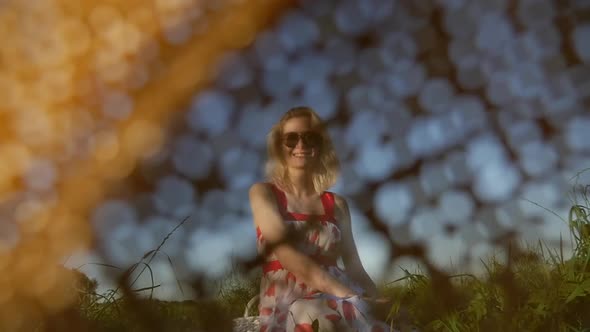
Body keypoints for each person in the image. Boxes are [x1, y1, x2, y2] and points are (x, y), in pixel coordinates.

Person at [249, 106, 390, 332]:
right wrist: (352, 298)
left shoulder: (337, 204)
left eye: (310, 138)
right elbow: (288, 256)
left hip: (341, 294)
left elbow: (353, 264)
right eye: (291, 139)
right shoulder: (263, 193)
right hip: (289, 302)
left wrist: (376, 299)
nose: (301, 145)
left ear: (320, 145)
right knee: (317, 315)